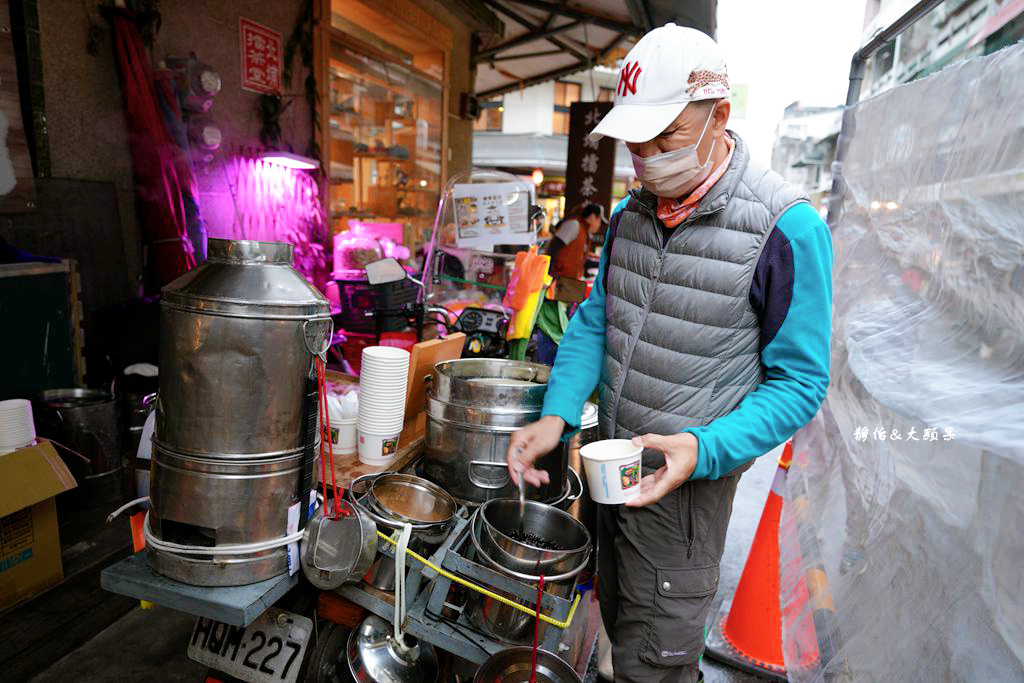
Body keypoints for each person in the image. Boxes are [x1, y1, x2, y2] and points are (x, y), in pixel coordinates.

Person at [507, 23, 833, 683]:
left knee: (658, 659)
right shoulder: (632, 216)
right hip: (612, 473)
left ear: (721, 116)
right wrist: (558, 412)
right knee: (615, 630)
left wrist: (703, 449)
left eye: (670, 137)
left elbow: (800, 383)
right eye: (637, 144)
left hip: (687, 496)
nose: (650, 158)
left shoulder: (786, 228)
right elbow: (599, 318)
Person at [546, 201, 607, 280]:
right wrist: (549, 275)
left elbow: (578, 258)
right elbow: (553, 248)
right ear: (592, 217)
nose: (599, 225)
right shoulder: (574, 225)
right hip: (559, 279)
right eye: (599, 221)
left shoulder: (585, 232)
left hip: (569, 280)